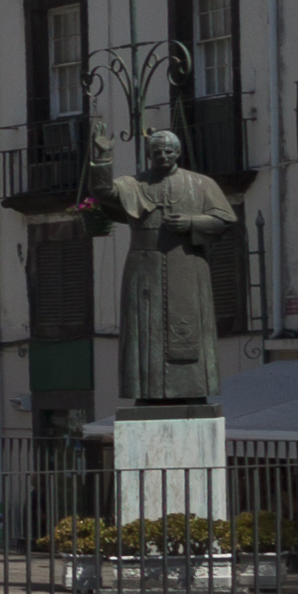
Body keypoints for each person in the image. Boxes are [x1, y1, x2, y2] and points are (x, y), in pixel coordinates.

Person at [76, 124, 236, 410]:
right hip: (144, 266)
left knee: (188, 329)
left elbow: (224, 220)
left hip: (186, 263)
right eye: (157, 151)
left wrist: (190, 222)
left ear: (178, 153)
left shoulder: (201, 184)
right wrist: (102, 158)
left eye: (168, 151)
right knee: (144, 331)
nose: (163, 155)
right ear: (150, 155)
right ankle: (147, 391)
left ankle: (193, 388)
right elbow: (103, 190)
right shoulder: (135, 184)